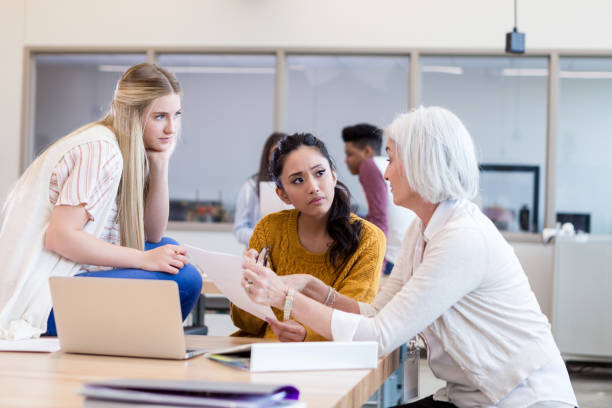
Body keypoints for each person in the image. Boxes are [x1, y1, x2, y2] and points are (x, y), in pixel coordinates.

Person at [241, 108, 577, 407]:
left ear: (421, 162)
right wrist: (311, 287)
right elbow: (376, 312)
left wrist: (284, 296)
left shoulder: (463, 238)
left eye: (391, 158)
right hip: (470, 395)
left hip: (521, 397)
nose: (385, 173)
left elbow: (378, 336)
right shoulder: (422, 230)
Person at [0, 63, 202, 340]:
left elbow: (152, 233)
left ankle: (139, 343)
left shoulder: (125, 148)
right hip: (40, 302)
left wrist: (160, 163)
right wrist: (143, 259)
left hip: (65, 279)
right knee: (185, 279)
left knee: (168, 248)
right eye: (159, 117)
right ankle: (141, 346)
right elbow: (60, 237)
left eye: (176, 115)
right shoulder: (102, 150)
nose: (171, 128)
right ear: (131, 113)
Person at [230, 133, 385, 342]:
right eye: (298, 180)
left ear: (333, 175)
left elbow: (352, 322)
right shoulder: (268, 229)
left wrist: (306, 335)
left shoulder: (368, 238)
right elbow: (246, 323)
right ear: (283, 195)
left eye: (320, 173)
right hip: (265, 354)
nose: (313, 187)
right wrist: (250, 286)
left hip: (330, 361)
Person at [342, 123, 415, 274]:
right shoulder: (385, 164)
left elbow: (379, 219)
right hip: (406, 255)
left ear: (367, 151)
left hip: (391, 260)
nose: (346, 160)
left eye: (350, 154)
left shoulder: (369, 166)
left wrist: (376, 268)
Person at [233, 132, 286, 246]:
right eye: (275, 152)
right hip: (259, 255)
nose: (280, 157)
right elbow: (239, 229)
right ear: (267, 155)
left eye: (286, 152)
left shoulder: (297, 185)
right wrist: (263, 237)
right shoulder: (250, 187)